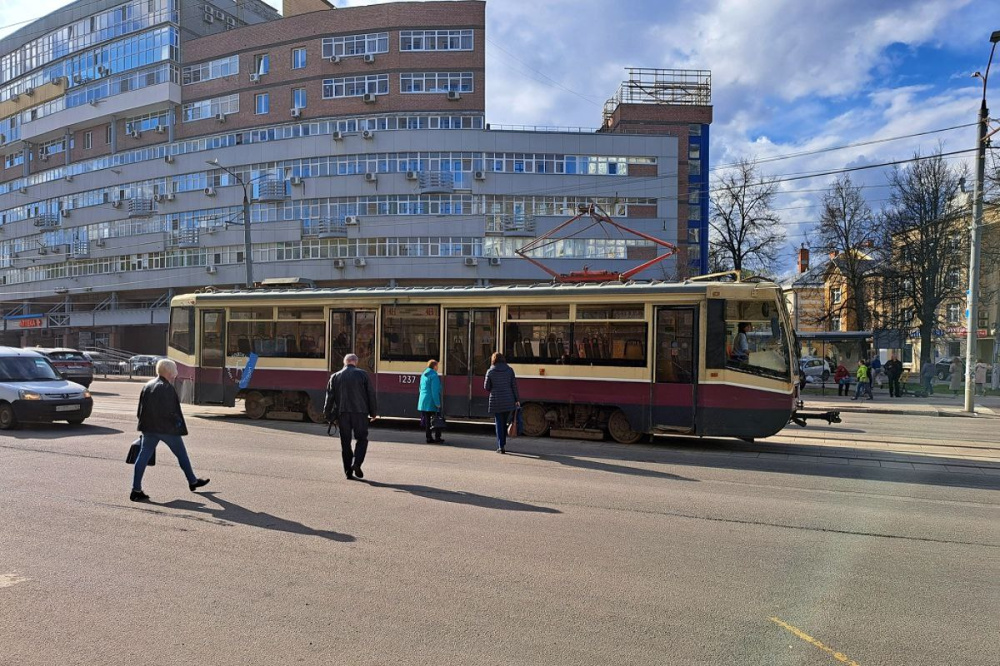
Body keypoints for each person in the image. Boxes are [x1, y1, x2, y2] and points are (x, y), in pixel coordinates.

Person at [130, 358, 209, 502]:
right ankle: (192, 481)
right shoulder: (167, 388)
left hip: (149, 428)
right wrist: (178, 424)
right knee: (182, 455)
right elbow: (171, 411)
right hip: (166, 429)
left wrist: (144, 426)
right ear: (169, 371)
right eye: (174, 370)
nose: (175, 373)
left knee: (142, 457)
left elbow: (140, 410)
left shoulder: (148, 385)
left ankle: (136, 489)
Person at [324, 353, 377, 480]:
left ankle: (348, 472)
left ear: (345, 362)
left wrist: (328, 416)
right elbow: (371, 394)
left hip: (343, 414)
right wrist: (373, 412)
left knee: (345, 443)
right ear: (356, 362)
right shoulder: (363, 374)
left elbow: (329, 398)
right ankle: (356, 463)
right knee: (362, 439)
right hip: (360, 413)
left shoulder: (335, 376)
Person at [484, 351, 519, 454]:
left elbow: (486, 387)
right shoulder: (510, 370)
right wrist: (517, 400)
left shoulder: (490, 371)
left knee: (499, 423)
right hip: (509, 400)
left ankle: (501, 446)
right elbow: (514, 386)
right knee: (504, 422)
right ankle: (503, 442)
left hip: (496, 400)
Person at [417, 359, 444, 444]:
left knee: (428, 421)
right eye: (437, 366)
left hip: (423, 400)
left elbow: (420, 388)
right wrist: (437, 403)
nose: (438, 367)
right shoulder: (434, 376)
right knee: (437, 419)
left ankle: (428, 437)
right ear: (434, 366)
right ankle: (437, 437)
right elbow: (435, 391)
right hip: (431, 401)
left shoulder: (424, 374)